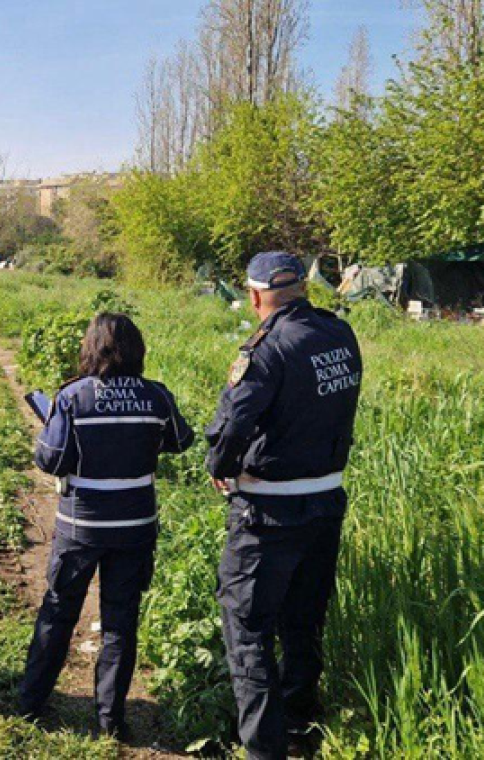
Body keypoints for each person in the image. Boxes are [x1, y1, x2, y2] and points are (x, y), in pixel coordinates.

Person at [205, 252, 362, 759]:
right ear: (302, 288)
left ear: (254, 296)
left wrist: (220, 466)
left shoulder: (266, 348)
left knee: (248, 629)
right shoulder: (339, 335)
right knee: (303, 620)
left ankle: (264, 750)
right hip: (325, 503)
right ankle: (298, 724)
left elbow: (234, 424)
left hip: (267, 514)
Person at [18, 313, 194, 741]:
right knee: (120, 623)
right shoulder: (157, 396)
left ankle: (29, 704)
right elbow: (180, 440)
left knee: (59, 611)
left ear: (91, 349)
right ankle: (109, 721)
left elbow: (50, 460)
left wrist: (55, 423)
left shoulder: (73, 397)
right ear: (138, 350)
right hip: (135, 528)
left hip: (81, 527)